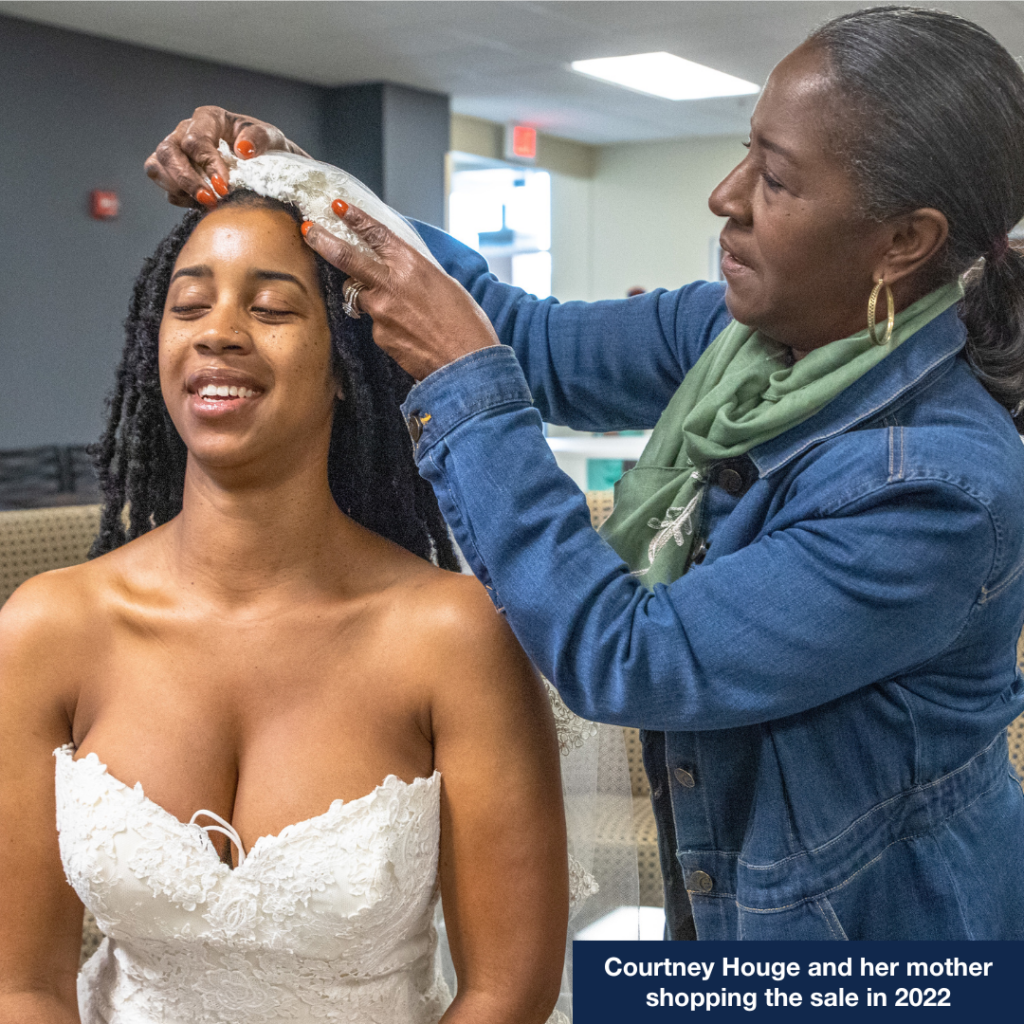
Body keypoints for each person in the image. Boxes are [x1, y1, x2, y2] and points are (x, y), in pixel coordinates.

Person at [147, 6, 1024, 941]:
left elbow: (632, 656)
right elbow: (530, 342)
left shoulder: (937, 487)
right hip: (726, 911)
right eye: (746, 152)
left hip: (880, 952)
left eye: (774, 179)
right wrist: (302, 182)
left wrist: (463, 383)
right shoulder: (740, 337)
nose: (725, 196)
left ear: (904, 241)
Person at [0, 189, 571, 1023]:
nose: (218, 331)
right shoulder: (49, 628)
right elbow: (22, 985)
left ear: (346, 364)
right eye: (189, 304)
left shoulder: (451, 635)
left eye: (270, 308)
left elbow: (506, 993)